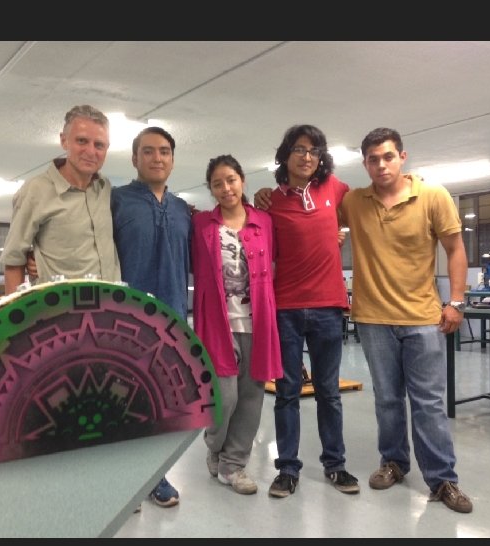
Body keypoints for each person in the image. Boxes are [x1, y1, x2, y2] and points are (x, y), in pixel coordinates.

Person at [338, 127, 473, 513]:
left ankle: (442, 478)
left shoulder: (433, 196)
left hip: (423, 319)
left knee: (428, 402)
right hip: (372, 319)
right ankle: (394, 462)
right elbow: (313, 213)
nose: (381, 165)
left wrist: (456, 302)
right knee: (387, 400)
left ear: (402, 157)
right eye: (372, 159)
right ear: (365, 163)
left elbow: (455, 248)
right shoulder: (353, 202)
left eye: (387, 157)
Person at [251, 125, 358, 499]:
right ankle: (287, 469)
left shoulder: (334, 189)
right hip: (286, 309)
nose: (307, 156)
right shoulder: (270, 201)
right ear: (285, 155)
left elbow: (366, 206)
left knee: (329, 392)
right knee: (287, 392)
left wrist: (338, 233)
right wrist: (257, 197)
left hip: (328, 307)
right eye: (299, 149)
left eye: (314, 150)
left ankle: (335, 465)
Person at [110, 126, 192, 508]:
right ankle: (124, 480)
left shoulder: (182, 210)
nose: (157, 158)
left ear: (172, 159)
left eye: (164, 151)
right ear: (134, 158)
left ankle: (155, 477)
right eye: (148, 151)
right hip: (125, 319)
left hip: (172, 320)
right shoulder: (116, 201)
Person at [190, 155, 282, 495]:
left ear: (242, 180)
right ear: (211, 189)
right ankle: (214, 446)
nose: (226, 188)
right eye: (217, 183)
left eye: (231, 180)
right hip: (217, 323)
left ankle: (233, 465)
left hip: (257, 323)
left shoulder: (264, 221)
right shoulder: (201, 224)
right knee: (223, 397)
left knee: (251, 398)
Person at [0, 105, 119, 293]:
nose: (91, 151)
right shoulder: (36, 190)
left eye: (99, 145)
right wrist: (15, 312)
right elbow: (14, 260)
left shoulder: (104, 188)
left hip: (108, 303)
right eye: (82, 141)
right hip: (59, 307)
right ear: (64, 141)